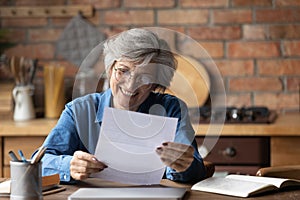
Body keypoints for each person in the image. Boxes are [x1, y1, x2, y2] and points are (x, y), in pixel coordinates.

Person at [40, 28, 206, 184]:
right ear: (110, 69)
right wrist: (68, 165)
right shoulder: (79, 110)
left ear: (155, 83)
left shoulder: (172, 109)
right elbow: (39, 163)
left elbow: (196, 170)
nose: (131, 85)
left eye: (145, 77)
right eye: (123, 70)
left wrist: (182, 165)